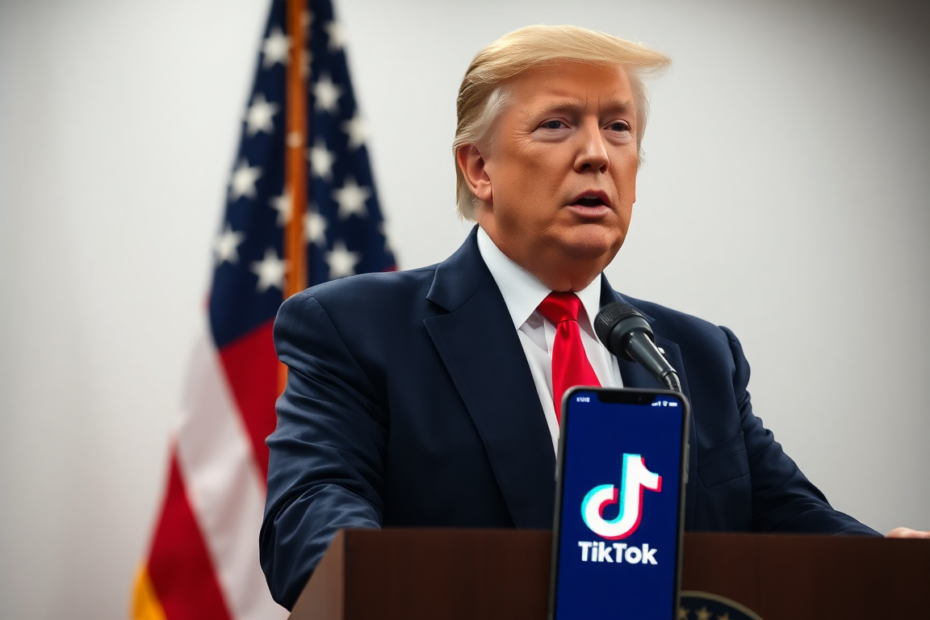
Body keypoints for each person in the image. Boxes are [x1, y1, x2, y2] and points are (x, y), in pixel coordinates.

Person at [259, 25, 926, 611]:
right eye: (557, 124)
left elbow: (784, 515)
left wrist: (888, 565)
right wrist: (383, 581)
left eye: (618, 127)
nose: (597, 154)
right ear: (479, 167)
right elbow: (311, 514)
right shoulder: (356, 329)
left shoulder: (697, 355)